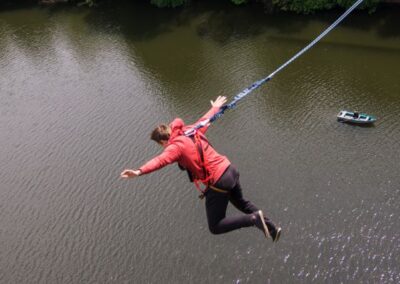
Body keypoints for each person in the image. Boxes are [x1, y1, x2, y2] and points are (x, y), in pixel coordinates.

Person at [120, 96, 281, 242]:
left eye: (161, 146)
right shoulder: (190, 130)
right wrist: (215, 107)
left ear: (163, 142)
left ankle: (253, 220)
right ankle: (272, 227)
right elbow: (206, 119)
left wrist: (139, 171)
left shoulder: (174, 147)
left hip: (218, 181)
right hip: (230, 170)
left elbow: (160, 161)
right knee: (241, 203)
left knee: (216, 226)